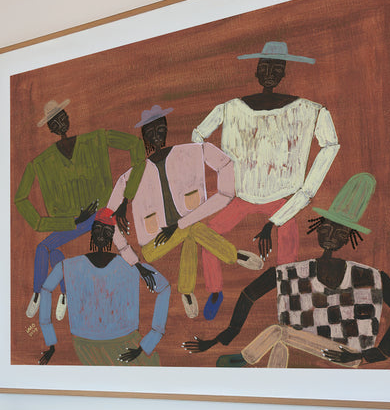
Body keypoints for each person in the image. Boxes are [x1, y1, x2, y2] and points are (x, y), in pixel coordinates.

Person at [182, 173, 390, 368]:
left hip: (349, 354)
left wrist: (373, 355)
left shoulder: (371, 277)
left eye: (340, 233)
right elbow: (248, 294)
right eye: (327, 228)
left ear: (348, 238)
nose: (330, 236)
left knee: (279, 333)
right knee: (280, 343)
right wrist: (229, 331)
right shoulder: (293, 272)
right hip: (304, 344)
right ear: (317, 229)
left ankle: (244, 358)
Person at [192, 40, 340, 290]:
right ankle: (215, 291)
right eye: (265, 67)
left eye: (277, 68)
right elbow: (197, 137)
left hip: (282, 199)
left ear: (284, 72)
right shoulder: (230, 108)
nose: (270, 73)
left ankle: (287, 293)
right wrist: (223, 169)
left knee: (288, 258)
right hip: (239, 196)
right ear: (256, 70)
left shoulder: (310, 110)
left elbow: (331, 146)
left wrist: (285, 211)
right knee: (207, 236)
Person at [107, 104, 258, 320]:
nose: (156, 135)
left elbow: (226, 166)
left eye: (160, 129)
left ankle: (186, 291)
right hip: (153, 245)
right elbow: (105, 216)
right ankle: (233, 255)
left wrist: (184, 222)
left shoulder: (190, 152)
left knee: (189, 231)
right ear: (144, 136)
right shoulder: (131, 177)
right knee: (191, 227)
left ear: (167, 128)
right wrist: (130, 257)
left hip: (189, 227)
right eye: (150, 132)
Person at [14, 99, 147, 319]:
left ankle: (58, 293)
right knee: (47, 250)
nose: (59, 123)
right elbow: (20, 200)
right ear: (50, 128)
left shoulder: (95, 139)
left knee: (51, 248)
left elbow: (136, 146)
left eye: (61, 117)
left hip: (100, 214)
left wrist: (126, 198)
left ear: (67, 117)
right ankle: (47, 293)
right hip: (73, 222)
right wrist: (67, 222)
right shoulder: (41, 162)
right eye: (53, 121)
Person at [37, 208, 170, 366]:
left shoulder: (130, 265)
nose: (101, 235)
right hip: (88, 345)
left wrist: (149, 342)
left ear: (112, 235)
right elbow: (45, 290)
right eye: (98, 229)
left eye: (106, 231)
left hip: (121, 343)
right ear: (92, 231)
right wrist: (50, 341)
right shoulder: (70, 265)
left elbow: (164, 287)